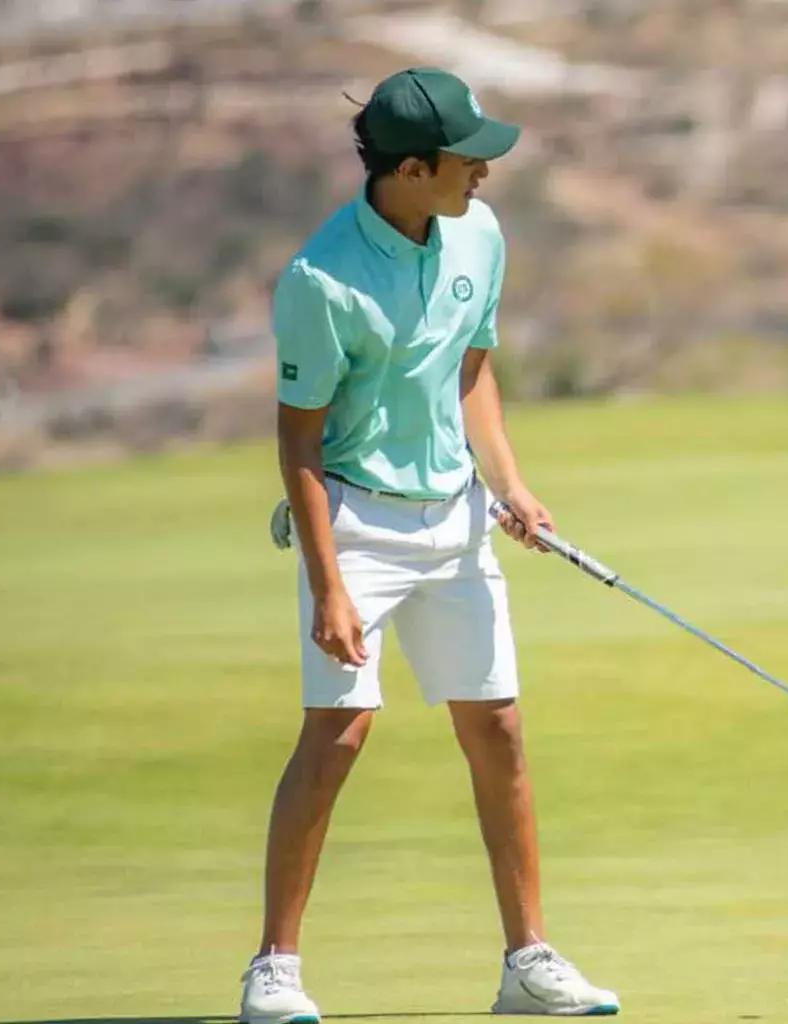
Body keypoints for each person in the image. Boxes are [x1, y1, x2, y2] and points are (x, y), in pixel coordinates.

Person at [243, 67, 620, 1022]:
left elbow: (470, 370)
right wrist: (329, 585)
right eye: (466, 160)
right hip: (356, 522)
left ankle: (527, 962)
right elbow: (296, 439)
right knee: (337, 736)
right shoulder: (320, 280)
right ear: (412, 170)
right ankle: (274, 969)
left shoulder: (478, 236)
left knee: (498, 730)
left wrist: (510, 483)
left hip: (453, 521)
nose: (484, 174)